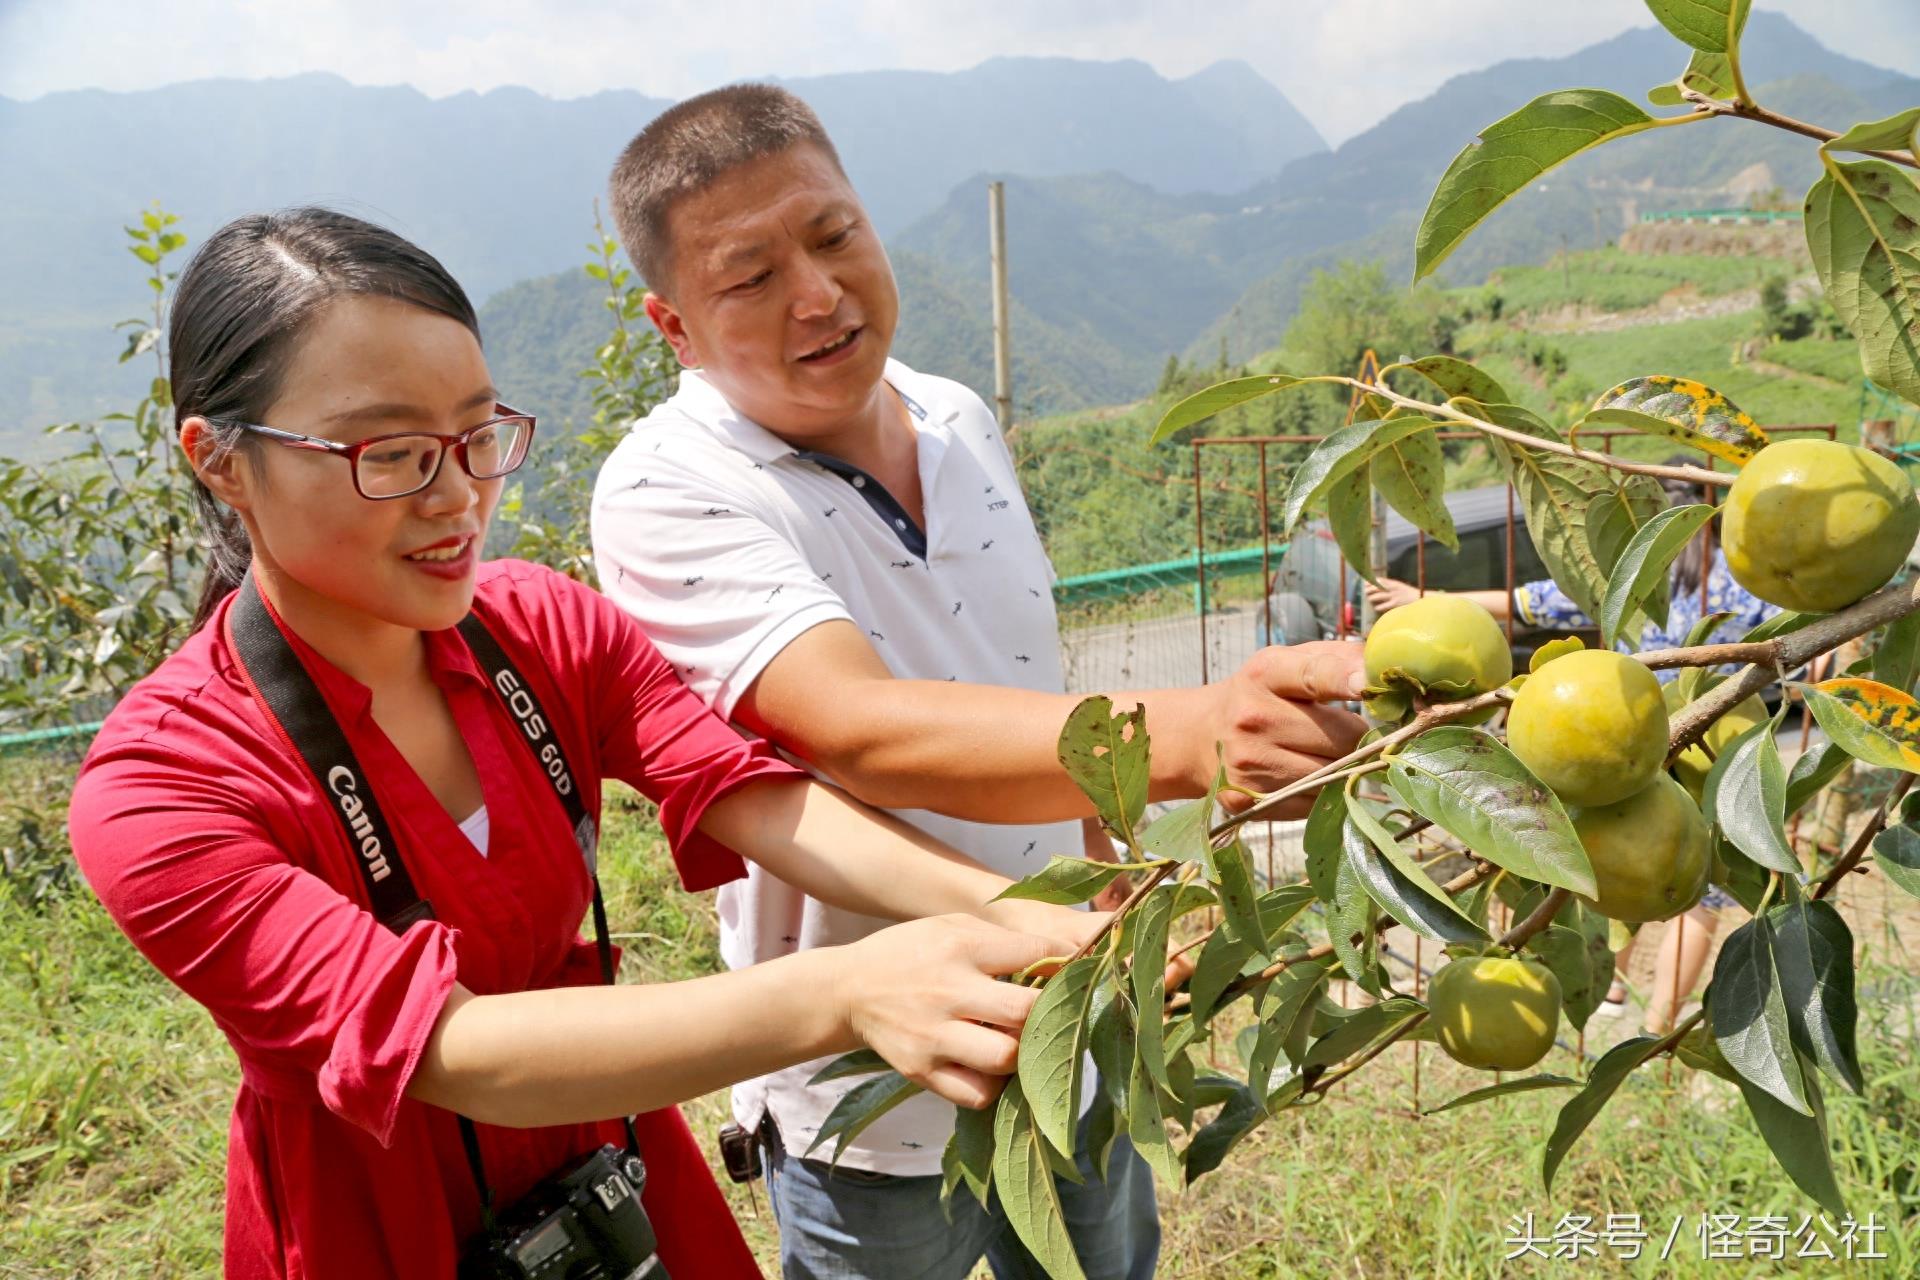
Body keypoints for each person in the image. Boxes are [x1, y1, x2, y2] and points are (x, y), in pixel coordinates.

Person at [65, 208, 1108, 1280]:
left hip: (609, 1173)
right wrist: (848, 990)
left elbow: (752, 795)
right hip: (376, 1223)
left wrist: (1017, 915)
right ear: (222, 462)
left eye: (478, 435)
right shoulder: (163, 785)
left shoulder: (542, 631)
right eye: (394, 453)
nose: (460, 496)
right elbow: (451, 1050)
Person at [589, 85, 1368, 1280]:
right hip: (877, 1079)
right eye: (748, 277)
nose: (818, 292)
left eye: (836, 234)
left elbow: (1024, 671)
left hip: (1077, 1015)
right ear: (674, 324)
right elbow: (859, 728)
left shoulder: (953, 414)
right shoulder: (668, 488)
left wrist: (1110, 886)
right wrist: (1202, 726)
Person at [1363, 461, 1780, 1036]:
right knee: (1697, 892)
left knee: (1620, 886)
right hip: (1705, 750)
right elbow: (1792, 630)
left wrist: (1425, 597)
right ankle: (1659, 1021)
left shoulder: (1626, 586)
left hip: (1603, 757)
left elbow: (1534, 603)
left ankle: (1613, 991)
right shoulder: (1737, 581)